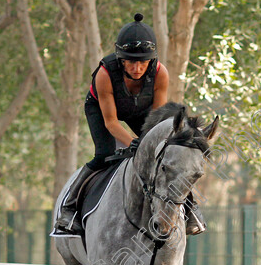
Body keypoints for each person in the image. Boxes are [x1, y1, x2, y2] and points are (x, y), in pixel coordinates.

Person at [51, 13, 206, 237]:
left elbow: (156, 120)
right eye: (131, 61)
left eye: (142, 62)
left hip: (141, 110)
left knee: (167, 158)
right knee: (103, 155)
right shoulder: (104, 75)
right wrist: (134, 144)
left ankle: (191, 209)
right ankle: (69, 208)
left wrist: (149, 144)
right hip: (103, 109)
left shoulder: (160, 73)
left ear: (151, 60)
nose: (137, 68)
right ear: (121, 59)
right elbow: (112, 122)